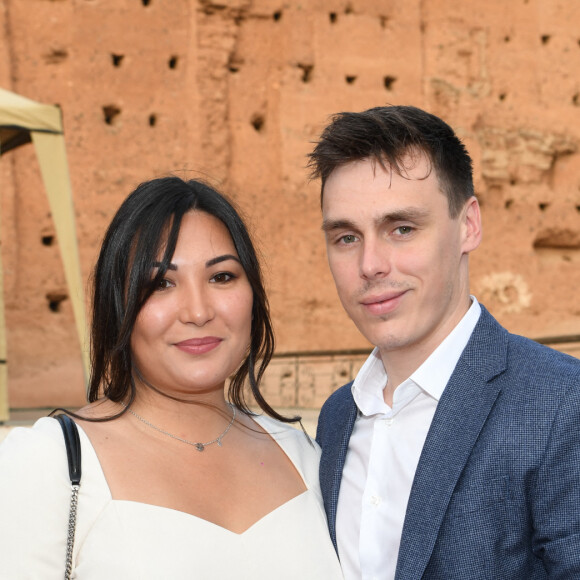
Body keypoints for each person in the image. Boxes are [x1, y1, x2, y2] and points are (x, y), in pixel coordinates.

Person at [0, 176, 343, 579]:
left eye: (222, 277)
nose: (197, 312)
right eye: (161, 283)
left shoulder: (304, 456)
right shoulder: (51, 462)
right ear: (118, 304)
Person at [308, 105, 580, 579]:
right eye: (347, 237)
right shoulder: (335, 419)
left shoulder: (561, 405)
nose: (370, 264)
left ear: (468, 226)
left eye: (402, 229)